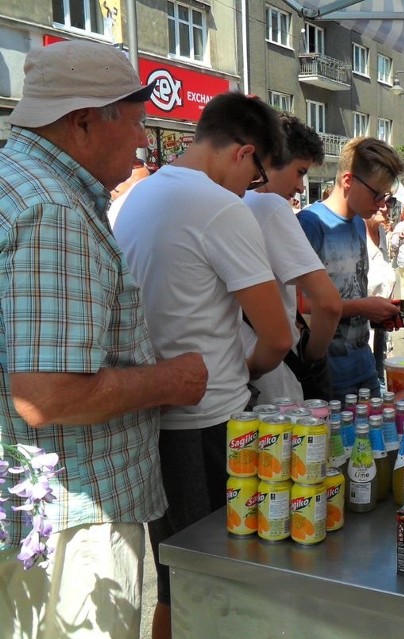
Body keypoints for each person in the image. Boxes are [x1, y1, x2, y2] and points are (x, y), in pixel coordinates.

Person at [0, 40, 207, 639]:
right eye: (137, 118)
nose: (145, 138)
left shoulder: (18, 184)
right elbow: (45, 396)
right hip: (71, 518)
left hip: (36, 505)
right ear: (86, 121)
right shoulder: (52, 210)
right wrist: (172, 379)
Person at [113, 92, 292, 639]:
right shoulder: (219, 207)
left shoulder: (142, 195)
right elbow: (278, 337)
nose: (251, 190)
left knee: (176, 580)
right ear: (244, 154)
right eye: (257, 177)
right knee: (218, 585)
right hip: (210, 422)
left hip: (154, 416)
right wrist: (248, 368)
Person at [242, 114, 342, 403]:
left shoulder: (225, 203)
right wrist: (312, 358)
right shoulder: (269, 205)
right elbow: (328, 302)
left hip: (237, 371)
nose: (300, 187)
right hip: (276, 379)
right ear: (273, 159)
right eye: (299, 172)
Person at [297, 137, 404, 400]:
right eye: (377, 194)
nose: (382, 204)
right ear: (348, 181)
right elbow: (299, 308)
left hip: (363, 366)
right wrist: (362, 307)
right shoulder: (310, 225)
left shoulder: (359, 222)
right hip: (327, 376)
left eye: (386, 196)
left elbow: (353, 290)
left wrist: (377, 313)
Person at [365, 207, 397, 380]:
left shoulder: (382, 234)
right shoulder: (356, 236)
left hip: (382, 330)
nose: (385, 207)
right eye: (379, 198)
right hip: (360, 335)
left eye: (388, 200)